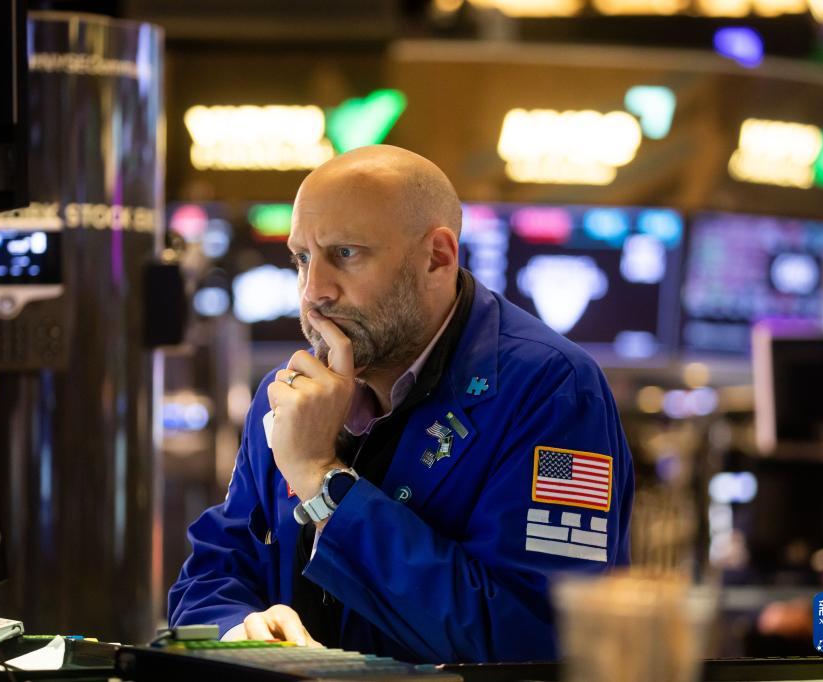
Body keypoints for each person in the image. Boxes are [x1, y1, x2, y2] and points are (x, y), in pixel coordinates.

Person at [168, 145, 634, 663]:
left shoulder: (554, 390)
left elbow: (536, 640)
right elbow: (207, 580)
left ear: (438, 257)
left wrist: (324, 482)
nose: (314, 291)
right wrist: (239, 633)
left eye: (346, 253)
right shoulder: (285, 393)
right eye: (302, 258)